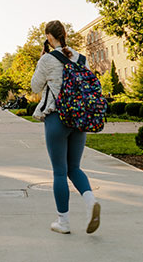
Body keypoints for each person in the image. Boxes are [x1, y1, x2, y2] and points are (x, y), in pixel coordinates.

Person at [30, 20, 100, 235]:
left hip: (57, 118)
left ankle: (64, 222)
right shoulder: (81, 58)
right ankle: (90, 202)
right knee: (75, 168)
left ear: (49, 37)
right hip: (80, 118)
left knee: (59, 172)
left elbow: (35, 87)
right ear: (65, 34)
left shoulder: (47, 59)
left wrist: (42, 61)